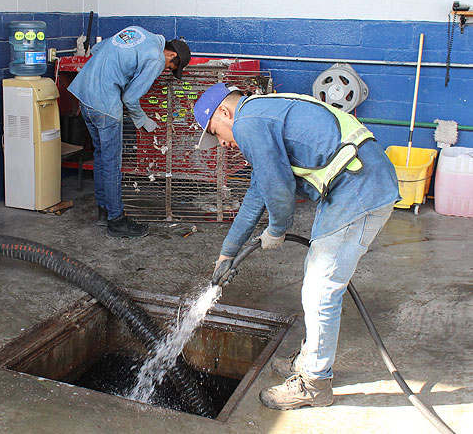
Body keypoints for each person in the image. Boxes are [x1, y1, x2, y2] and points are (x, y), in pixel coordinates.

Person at [196, 84, 400, 410]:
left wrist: (277, 229)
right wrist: (227, 253)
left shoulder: (248, 121)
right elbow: (257, 194)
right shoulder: (262, 113)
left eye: (216, 132)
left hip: (360, 190)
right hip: (357, 185)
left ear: (224, 112)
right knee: (316, 280)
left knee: (321, 289)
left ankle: (315, 383)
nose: (221, 142)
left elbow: (278, 190)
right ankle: (310, 362)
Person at [68, 26, 191, 238]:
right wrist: (143, 120)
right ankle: (116, 221)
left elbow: (97, 49)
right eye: (171, 66)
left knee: (100, 156)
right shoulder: (156, 58)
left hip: (84, 94)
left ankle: (103, 211)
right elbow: (130, 98)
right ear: (171, 54)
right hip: (104, 103)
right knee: (112, 163)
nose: (166, 69)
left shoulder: (137, 32)